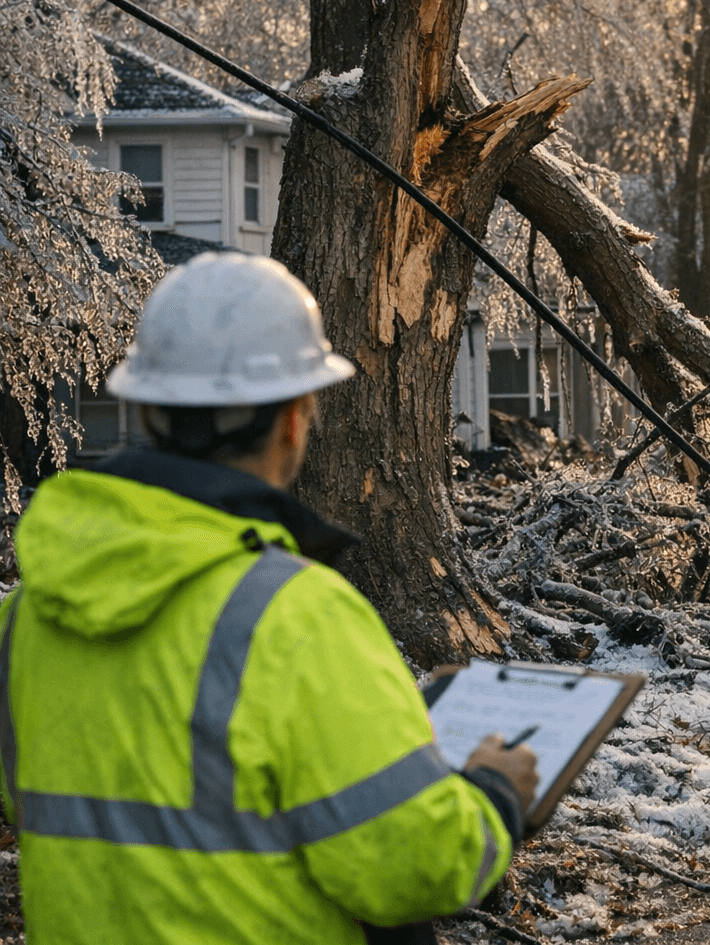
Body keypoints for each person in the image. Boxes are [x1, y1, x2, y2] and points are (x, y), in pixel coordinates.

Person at [0, 253, 538, 944]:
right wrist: (494, 795)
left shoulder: (27, 618)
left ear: (149, 409)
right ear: (293, 418)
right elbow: (411, 867)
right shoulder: (296, 617)